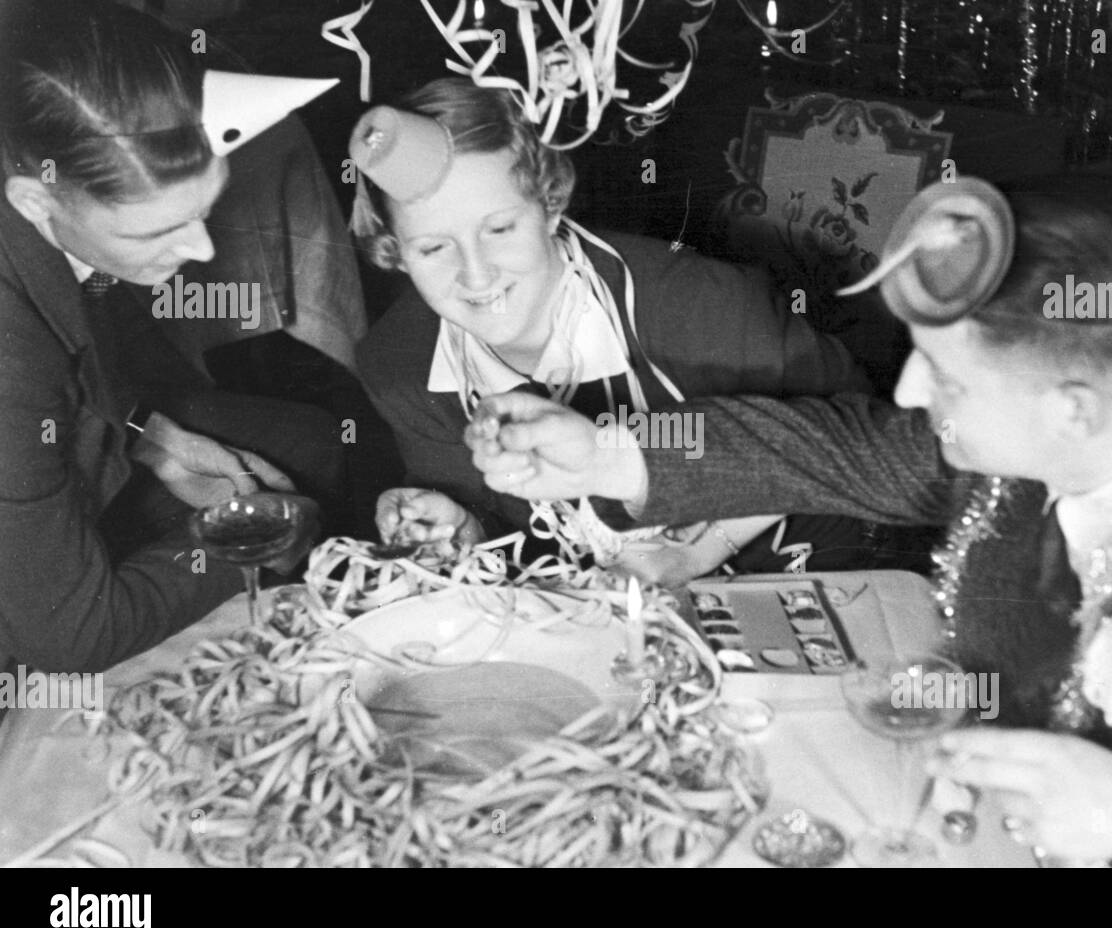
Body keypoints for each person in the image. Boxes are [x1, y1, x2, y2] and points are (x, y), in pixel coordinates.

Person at [466, 172, 1112, 866]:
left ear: (1072, 412)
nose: (907, 394)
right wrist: (606, 453)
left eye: (945, 376)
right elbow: (829, 447)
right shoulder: (1035, 431)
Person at [352, 78, 915, 587]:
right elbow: (518, 532)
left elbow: (855, 436)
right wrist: (462, 526)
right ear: (394, 251)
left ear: (549, 205)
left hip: (810, 573)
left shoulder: (700, 308)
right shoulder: (399, 366)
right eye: (433, 247)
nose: (476, 274)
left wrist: (697, 553)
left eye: (500, 228)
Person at [0, 1, 325, 676]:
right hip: (35, 616)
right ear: (35, 202)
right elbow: (71, 636)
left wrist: (155, 439)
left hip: (58, 442)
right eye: (152, 233)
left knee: (315, 445)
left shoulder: (57, 191)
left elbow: (86, 371)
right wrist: (248, 544)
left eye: (205, 208)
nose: (201, 249)